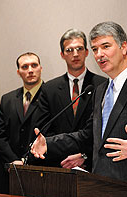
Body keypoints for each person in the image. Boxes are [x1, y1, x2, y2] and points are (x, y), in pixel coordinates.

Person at [31, 21, 127, 197]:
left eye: (105, 46)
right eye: (95, 49)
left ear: (123, 47)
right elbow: (87, 135)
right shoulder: (100, 90)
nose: (99, 54)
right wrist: (49, 143)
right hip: (100, 189)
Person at [37, 29, 106, 169]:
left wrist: (84, 155)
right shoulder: (49, 89)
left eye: (79, 49)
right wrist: (64, 155)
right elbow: (45, 128)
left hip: (92, 164)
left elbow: (104, 129)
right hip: (59, 164)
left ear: (87, 52)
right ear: (62, 55)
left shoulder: (102, 85)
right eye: (69, 50)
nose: (75, 54)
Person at [0, 52, 45, 166]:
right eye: (25, 67)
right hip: (12, 166)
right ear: (18, 72)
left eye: (34, 65)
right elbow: (0, 136)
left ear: (41, 68)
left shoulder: (51, 95)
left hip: (42, 165)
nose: (30, 70)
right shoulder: (7, 99)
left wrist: (26, 160)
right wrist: (14, 160)